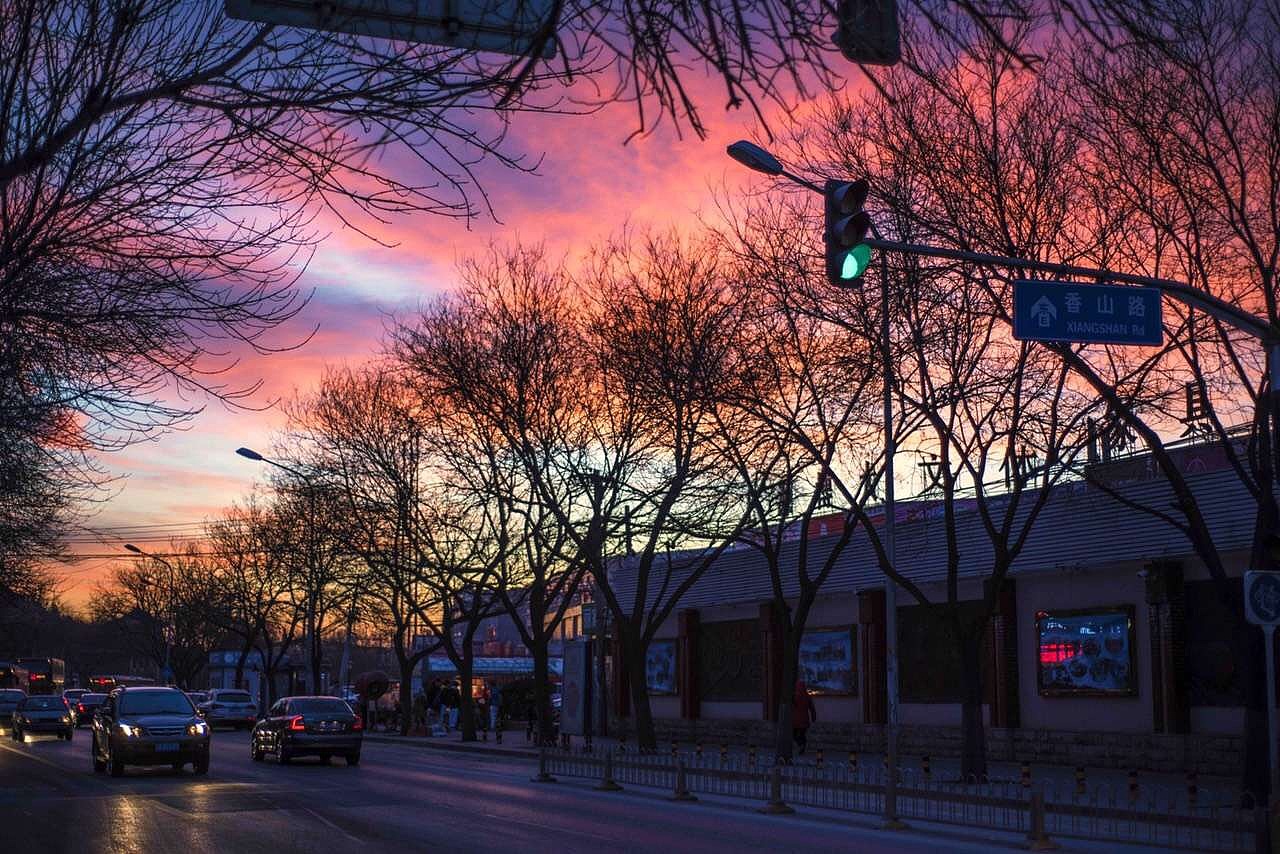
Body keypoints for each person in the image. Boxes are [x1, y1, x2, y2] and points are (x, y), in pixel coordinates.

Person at [792, 680, 817, 756]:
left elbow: (791, 707)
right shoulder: (807, 697)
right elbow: (812, 708)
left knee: (794, 734)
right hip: (805, 720)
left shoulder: (794, 696)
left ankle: (800, 745)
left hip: (795, 721)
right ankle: (802, 746)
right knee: (802, 734)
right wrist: (813, 718)